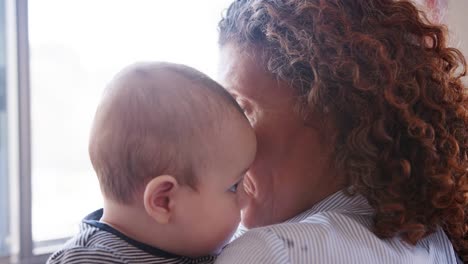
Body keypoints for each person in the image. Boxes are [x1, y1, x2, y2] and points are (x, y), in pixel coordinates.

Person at [215, 0, 468, 263]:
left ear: (329, 107)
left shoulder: (270, 252)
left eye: (239, 109)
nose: (216, 145)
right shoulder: (435, 241)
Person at [47, 62, 256, 264]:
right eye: (233, 187)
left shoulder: (196, 246)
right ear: (163, 200)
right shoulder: (87, 259)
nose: (246, 199)